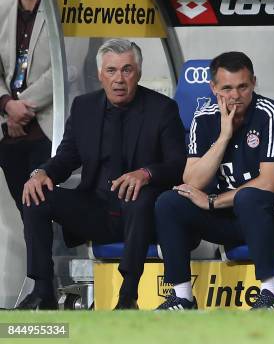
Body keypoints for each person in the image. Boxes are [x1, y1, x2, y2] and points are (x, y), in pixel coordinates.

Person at [18, 39, 186, 310]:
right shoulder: (84, 107)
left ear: (138, 73)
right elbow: (66, 158)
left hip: (140, 213)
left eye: (127, 70)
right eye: (111, 71)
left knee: (139, 196)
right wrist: (40, 173)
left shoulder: (162, 109)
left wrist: (146, 173)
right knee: (35, 196)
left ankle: (128, 296)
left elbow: (179, 164)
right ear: (100, 74)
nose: (119, 79)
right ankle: (42, 291)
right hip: (95, 208)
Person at [154, 51, 274, 310]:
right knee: (169, 202)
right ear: (213, 88)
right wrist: (224, 136)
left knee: (250, 197)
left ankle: (270, 295)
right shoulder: (203, 117)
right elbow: (192, 180)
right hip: (233, 215)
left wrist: (213, 202)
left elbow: (268, 184)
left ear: (254, 83)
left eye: (243, 87)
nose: (235, 96)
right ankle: (182, 297)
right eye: (227, 88)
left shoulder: (270, 113)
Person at [0, 0, 53, 214]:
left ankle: (50, 258)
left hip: (46, 130)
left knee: (43, 211)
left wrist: (20, 107)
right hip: (9, 134)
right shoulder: (3, 14)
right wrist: (7, 105)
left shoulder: (63, 12)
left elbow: (68, 70)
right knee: (26, 213)